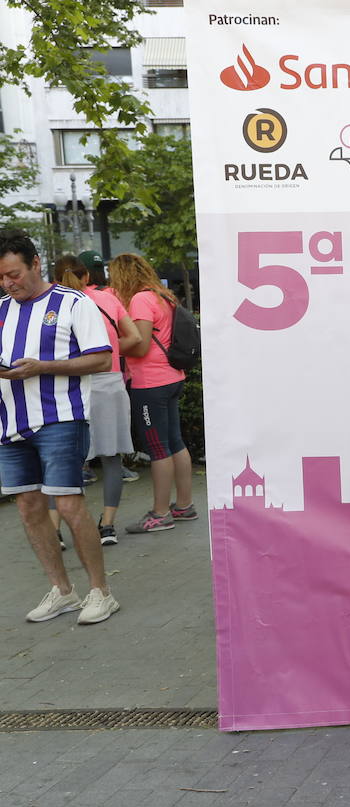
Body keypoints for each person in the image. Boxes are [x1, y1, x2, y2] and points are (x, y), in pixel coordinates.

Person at [0, 230, 120, 625]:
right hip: (10, 423)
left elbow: (102, 360)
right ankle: (63, 590)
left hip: (60, 417)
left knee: (68, 505)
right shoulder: (1, 309)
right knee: (29, 508)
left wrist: (43, 367)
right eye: (1, 277)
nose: (8, 283)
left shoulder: (73, 302)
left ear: (36, 263)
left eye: (14, 273)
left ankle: (101, 592)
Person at [49, 255, 138, 546]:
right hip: (109, 383)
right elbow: (135, 337)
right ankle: (108, 527)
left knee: (60, 460)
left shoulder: (50, 306)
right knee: (111, 458)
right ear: (87, 275)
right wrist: (109, 350)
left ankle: (55, 531)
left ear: (54, 278)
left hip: (67, 385)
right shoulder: (107, 300)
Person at [111, 253, 197, 533]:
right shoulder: (163, 295)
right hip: (173, 376)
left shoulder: (140, 299)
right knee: (175, 443)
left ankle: (160, 514)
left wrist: (109, 346)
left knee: (158, 448)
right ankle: (184, 505)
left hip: (151, 383)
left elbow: (141, 344)